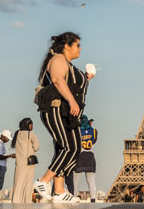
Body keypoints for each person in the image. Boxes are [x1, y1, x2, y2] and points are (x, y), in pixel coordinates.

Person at [33, 32, 93, 203]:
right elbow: (58, 80)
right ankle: (44, 181)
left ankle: (59, 191)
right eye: (78, 45)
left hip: (68, 112)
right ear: (67, 46)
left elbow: (70, 83)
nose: (80, 49)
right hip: (57, 109)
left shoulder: (67, 63)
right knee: (70, 147)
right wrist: (72, 101)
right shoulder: (59, 59)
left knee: (69, 149)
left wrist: (87, 79)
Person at [12, 118, 40, 203]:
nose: (32, 126)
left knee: (18, 181)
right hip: (29, 161)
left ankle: (16, 200)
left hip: (19, 161)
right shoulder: (30, 133)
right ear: (28, 125)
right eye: (31, 124)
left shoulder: (17, 133)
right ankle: (26, 201)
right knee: (28, 181)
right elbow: (36, 147)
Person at [74, 115, 98, 202]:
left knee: (75, 182)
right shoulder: (94, 131)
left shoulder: (78, 131)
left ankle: (74, 197)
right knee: (91, 181)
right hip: (90, 157)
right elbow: (94, 140)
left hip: (80, 157)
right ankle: (93, 199)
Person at [0, 130, 15, 202]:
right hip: (0, 166)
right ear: (3, 136)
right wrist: (10, 156)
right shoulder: (0, 143)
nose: (8, 140)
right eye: (7, 138)